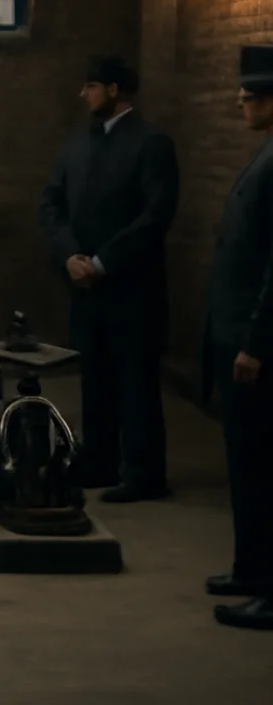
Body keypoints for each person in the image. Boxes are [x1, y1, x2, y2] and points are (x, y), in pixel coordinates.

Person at [38, 54, 179, 502]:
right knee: (95, 377)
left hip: (131, 287)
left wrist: (102, 263)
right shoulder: (77, 144)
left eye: (92, 87)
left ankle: (144, 474)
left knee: (135, 381)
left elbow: (156, 214)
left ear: (114, 90)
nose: (83, 94)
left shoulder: (152, 144)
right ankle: (99, 461)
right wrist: (69, 256)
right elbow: (51, 205)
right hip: (84, 286)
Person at [202, 44, 273, 631]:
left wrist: (256, 342)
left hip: (255, 339)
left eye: (249, 97)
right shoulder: (265, 153)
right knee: (245, 465)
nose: (240, 103)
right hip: (235, 331)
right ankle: (251, 568)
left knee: (263, 467)